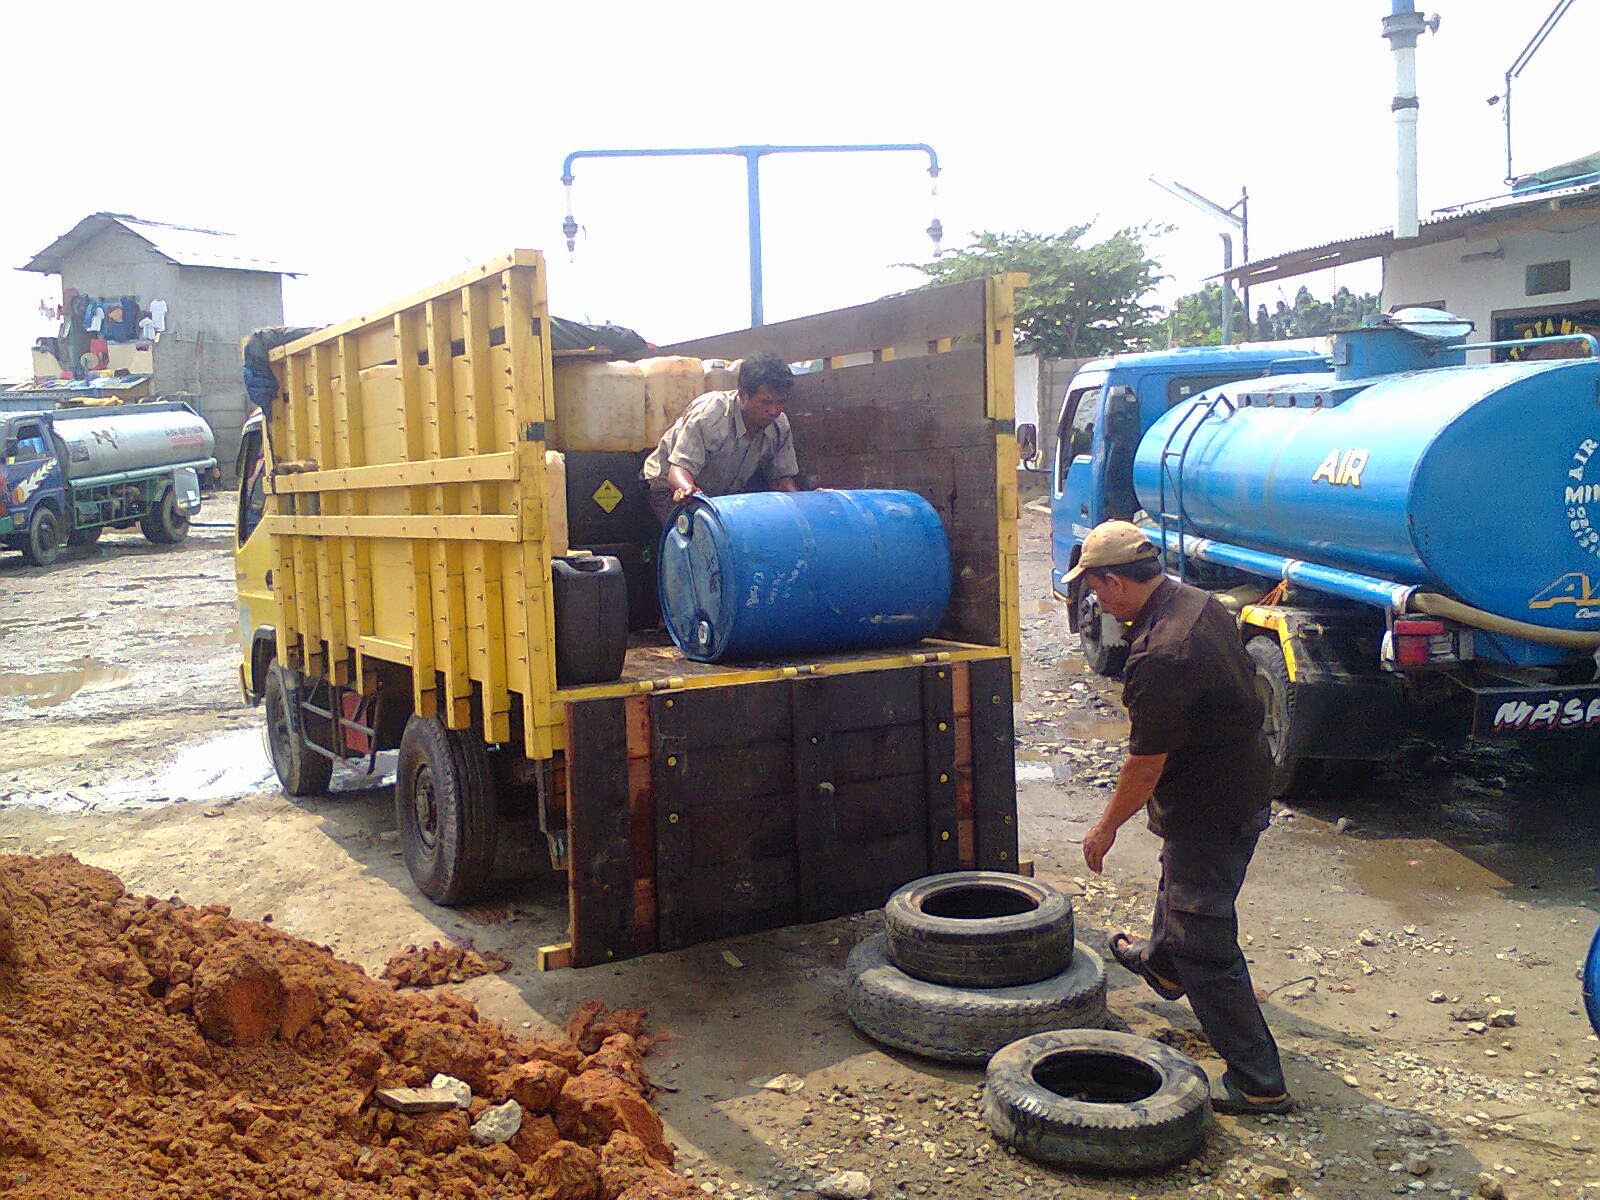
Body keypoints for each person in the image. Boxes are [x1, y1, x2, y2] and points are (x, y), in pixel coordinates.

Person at [1067, 520, 1291, 1116]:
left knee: (1204, 938)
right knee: (1183, 880)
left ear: (1115, 582)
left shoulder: (1163, 653)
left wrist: (1104, 827)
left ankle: (1259, 1081)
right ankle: (1162, 966)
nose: (1094, 600)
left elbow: (1145, 764)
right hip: (1236, 777)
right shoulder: (1195, 601)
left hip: (1212, 804)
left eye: (1093, 587)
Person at [641, 353, 801, 524]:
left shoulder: (779, 425)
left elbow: (781, 479)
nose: (774, 410)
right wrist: (689, 492)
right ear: (743, 395)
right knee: (695, 534)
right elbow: (679, 471)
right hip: (666, 488)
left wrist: (805, 504)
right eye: (766, 402)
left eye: (780, 402)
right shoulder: (710, 414)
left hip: (718, 497)